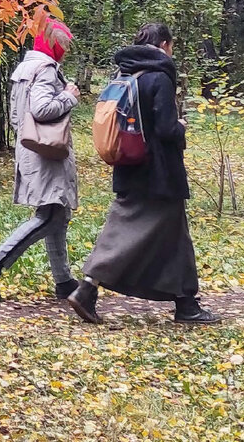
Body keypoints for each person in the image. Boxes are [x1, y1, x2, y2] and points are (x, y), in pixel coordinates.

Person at [67, 22, 220, 326]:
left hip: (129, 165)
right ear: (164, 45)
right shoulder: (159, 76)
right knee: (132, 232)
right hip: (158, 173)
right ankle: (87, 289)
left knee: (168, 236)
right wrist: (181, 127)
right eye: (171, 46)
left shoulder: (124, 72)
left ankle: (185, 303)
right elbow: (165, 129)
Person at [0, 20, 80, 302]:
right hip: (47, 153)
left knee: (56, 213)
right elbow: (42, 109)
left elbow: (16, 117)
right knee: (51, 215)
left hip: (32, 149)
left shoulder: (25, 69)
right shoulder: (46, 69)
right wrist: (68, 97)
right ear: (54, 44)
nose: (66, 51)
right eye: (64, 45)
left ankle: (64, 281)